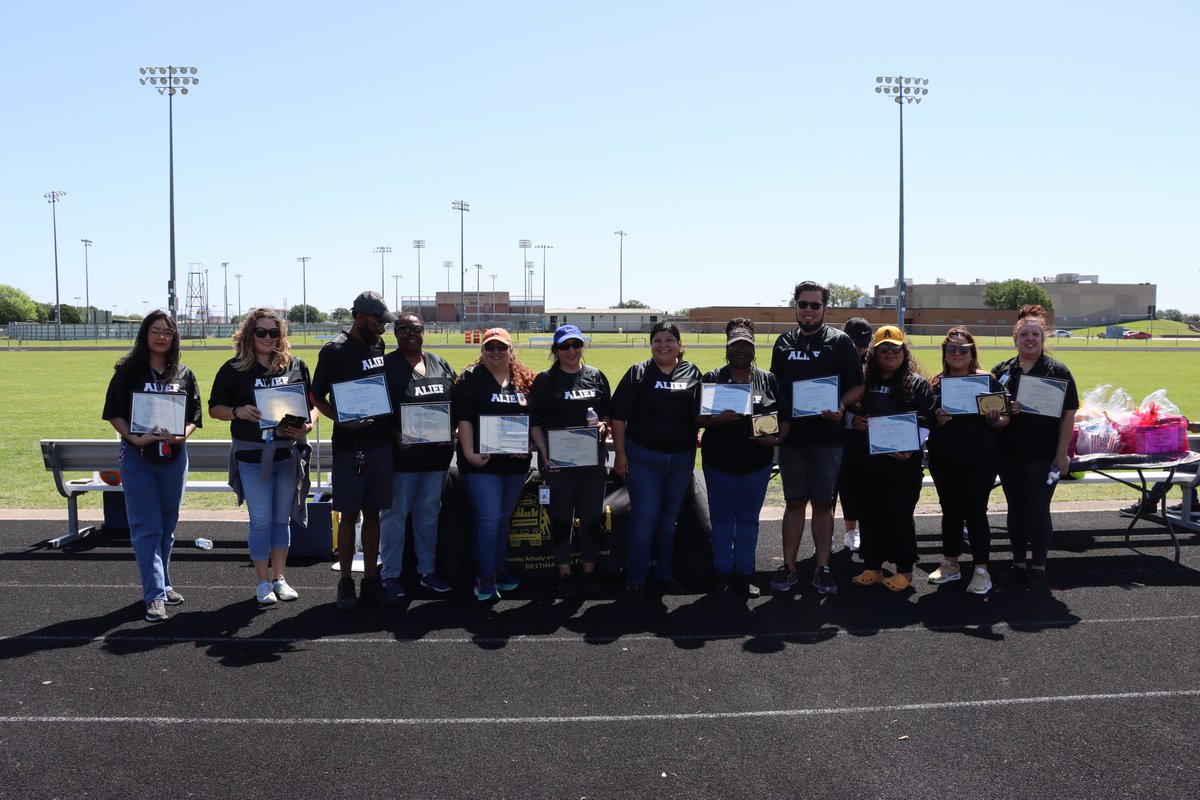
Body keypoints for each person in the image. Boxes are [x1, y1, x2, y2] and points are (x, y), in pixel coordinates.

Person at [208, 309, 316, 605]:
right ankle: (262, 581)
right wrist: (237, 411)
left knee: (282, 519)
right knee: (260, 521)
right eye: (261, 332)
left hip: (287, 454)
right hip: (252, 455)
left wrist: (307, 425)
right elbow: (214, 408)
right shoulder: (233, 369)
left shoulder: (296, 365)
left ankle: (280, 578)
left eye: (274, 332)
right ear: (248, 335)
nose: (268, 338)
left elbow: (313, 405)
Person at [102, 311, 203, 622]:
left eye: (167, 332)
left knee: (167, 527)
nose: (162, 337)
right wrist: (136, 438)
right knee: (147, 528)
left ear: (174, 338)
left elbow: (194, 417)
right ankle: (155, 595)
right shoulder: (128, 372)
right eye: (156, 331)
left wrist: (179, 436)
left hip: (174, 459)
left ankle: (163, 583)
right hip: (139, 458)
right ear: (145, 335)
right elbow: (114, 412)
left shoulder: (183, 373)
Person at [769, 281, 865, 595]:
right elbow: (774, 389)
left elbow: (858, 386)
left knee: (824, 504)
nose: (808, 310)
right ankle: (789, 566)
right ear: (795, 306)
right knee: (794, 502)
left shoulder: (840, 342)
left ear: (825, 309)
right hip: (793, 438)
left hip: (827, 437)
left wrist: (840, 404)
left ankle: (823, 568)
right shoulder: (783, 342)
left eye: (815, 305)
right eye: (803, 304)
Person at [311, 291, 399, 611]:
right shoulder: (333, 351)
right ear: (361, 318)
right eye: (378, 323)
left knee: (375, 513)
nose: (383, 329)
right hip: (349, 446)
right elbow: (316, 397)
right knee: (349, 515)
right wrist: (342, 420)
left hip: (379, 443)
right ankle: (346, 582)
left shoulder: (379, 345)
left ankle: (371, 580)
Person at [611, 321, 701, 599]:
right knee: (644, 518)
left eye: (669, 339)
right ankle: (637, 575)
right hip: (644, 457)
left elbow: (702, 412)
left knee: (669, 520)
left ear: (679, 344)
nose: (663, 344)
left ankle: (664, 574)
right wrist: (621, 454)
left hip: (681, 458)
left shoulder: (692, 372)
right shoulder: (638, 373)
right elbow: (618, 416)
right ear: (650, 345)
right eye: (657, 340)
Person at [992, 305, 1080, 589]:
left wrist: (1061, 453)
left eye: (1035, 335)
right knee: (1016, 509)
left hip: (1043, 454)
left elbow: (1069, 414)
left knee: (1038, 509)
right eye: (1024, 334)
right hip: (1009, 453)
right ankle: (1018, 564)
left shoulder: (1058, 370)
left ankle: (1039, 567)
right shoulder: (1001, 371)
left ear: (1043, 340)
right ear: (1015, 339)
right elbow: (992, 414)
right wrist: (1003, 415)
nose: (1030, 339)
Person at [697, 319, 781, 598]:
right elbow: (694, 419)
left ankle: (745, 574)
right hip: (718, 462)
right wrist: (716, 420)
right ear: (727, 348)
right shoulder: (711, 378)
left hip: (756, 464)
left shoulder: (767, 379)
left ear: (754, 348)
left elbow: (784, 418)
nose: (741, 350)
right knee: (721, 520)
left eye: (746, 345)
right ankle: (723, 573)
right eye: (735, 346)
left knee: (748, 520)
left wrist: (776, 439)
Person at [848, 325, 936, 591]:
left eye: (895, 348)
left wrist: (911, 447)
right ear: (874, 352)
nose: (889, 354)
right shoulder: (862, 382)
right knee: (868, 514)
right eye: (883, 348)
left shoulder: (917, 383)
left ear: (903, 351)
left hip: (903, 464)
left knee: (899, 516)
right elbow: (845, 411)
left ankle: (904, 570)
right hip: (866, 461)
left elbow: (926, 422)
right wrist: (854, 421)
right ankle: (872, 566)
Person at [529, 324, 612, 597]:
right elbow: (535, 422)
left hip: (591, 462)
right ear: (555, 350)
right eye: (564, 346)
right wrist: (543, 450)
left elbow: (608, 414)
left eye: (576, 345)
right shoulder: (545, 380)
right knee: (562, 517)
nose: (571, 351)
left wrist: (603, 425)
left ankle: (588, 573)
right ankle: (565, 575)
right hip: (558, 463)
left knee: (591, 516)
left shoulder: (596, 377)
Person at [378, 313, 457, 599]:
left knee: (428, 515)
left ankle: (427, 571)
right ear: (395, 333)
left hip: (436, 458)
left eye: (416, 329)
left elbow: (456, 402)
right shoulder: (386, 366)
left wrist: (453, 428)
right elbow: (374, 411)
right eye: (403, 329)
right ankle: (390, 575)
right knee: (395, 516)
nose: (410, 333)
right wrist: (393, 435)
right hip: (402, 459)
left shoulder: (439, 362)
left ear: (424, 331)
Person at [453, 328, 536, 601]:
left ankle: (498, 569)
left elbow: (533, 423)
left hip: (514, 464)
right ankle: (484, 577)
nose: (496, 353)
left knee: (502, 520)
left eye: (502, 347)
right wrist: (468, 454)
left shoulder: (524, 380)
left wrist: (528, 448)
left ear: (511, 350)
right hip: (481, 463)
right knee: (489, 519)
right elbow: (463, 420)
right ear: (482, 351)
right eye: (490, 348)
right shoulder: (470, 379)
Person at [926, 327, 1009, 595]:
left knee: (975, 511)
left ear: (972, 353)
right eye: (952, 349)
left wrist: (995, 419)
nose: (957, 353)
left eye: (963, 349)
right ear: (945, 353)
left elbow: (1005, 420)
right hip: (944, 458)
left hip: (980, 458)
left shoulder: (988, 381)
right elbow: (924, 422)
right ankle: (951, 563)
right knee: (949, 510)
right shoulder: (934, 384)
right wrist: (936, 420)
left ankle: (982, 569)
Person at [836, 317, 873, 552]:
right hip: (839, 435)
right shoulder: (834, 362)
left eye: (863, 343)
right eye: (855, 343)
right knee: (841, 487)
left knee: (864, 487)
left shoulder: (874, 364)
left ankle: (862, 531)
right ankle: (848, 531)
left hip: (868, 437)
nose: (860, 348)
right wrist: (849, 420)